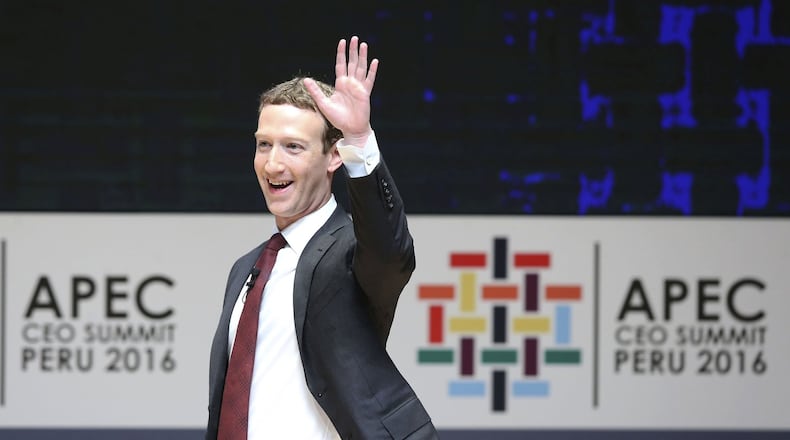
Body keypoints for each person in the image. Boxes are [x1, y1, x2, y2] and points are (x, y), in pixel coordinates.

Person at [206, 36, 438, 439]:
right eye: (264, 145)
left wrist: (358, 141)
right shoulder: (247, 268)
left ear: (333, 156)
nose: (272, 163)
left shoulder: (350, 250)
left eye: (293, 147)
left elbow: (390, 252)